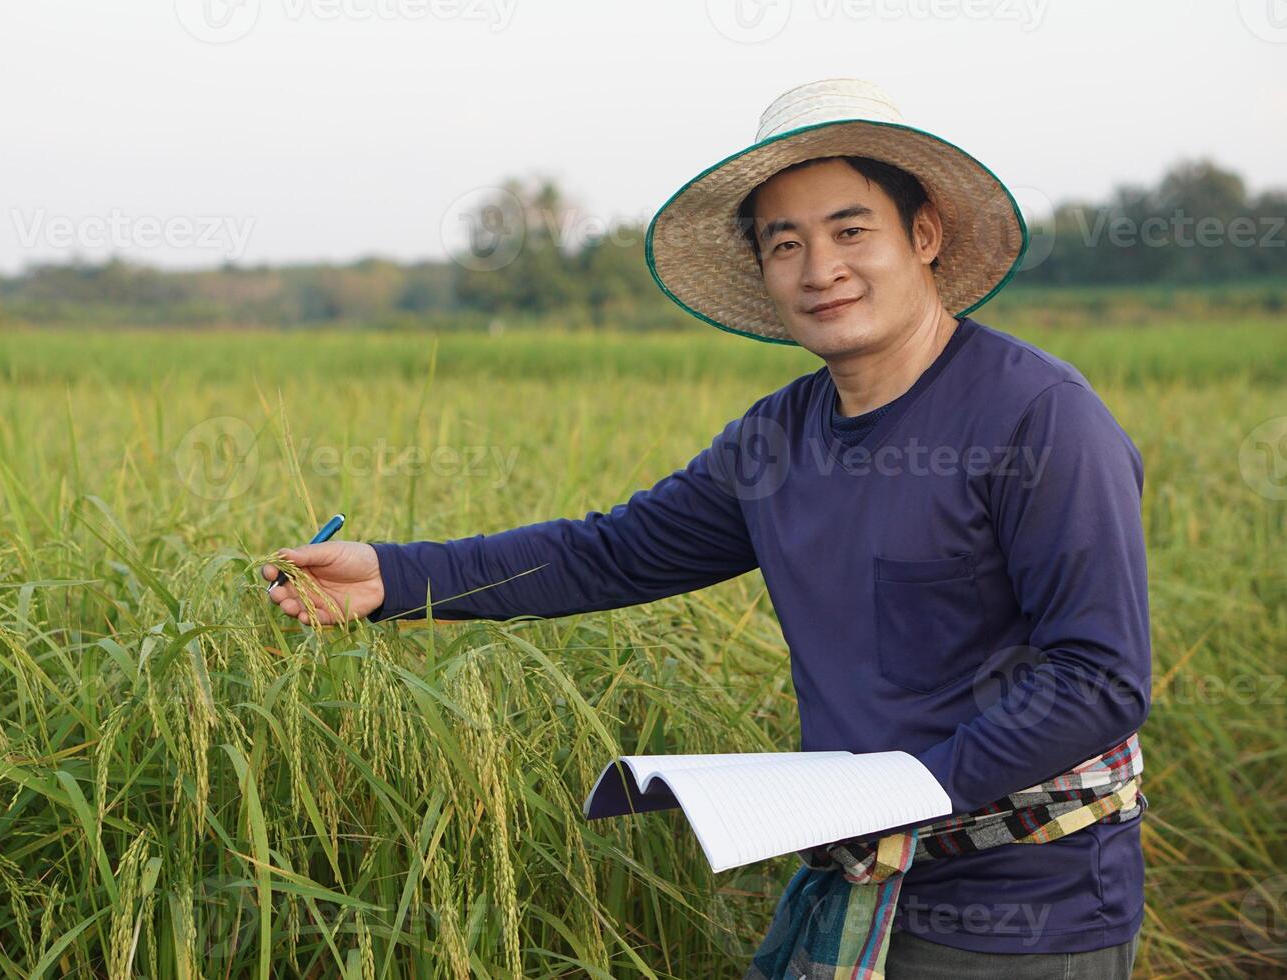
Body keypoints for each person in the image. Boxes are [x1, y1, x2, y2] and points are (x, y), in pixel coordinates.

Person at [262, 78, 1149, 979]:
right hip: (853, 878)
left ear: (923, 237)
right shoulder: (779, 439)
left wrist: (900, 794)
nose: (821, 268)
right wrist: (392, 577)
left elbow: (1098, 679)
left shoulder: (1037, 418)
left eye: (851, 232)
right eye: (785, 244)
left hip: (1022, 912)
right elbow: (612, 552)